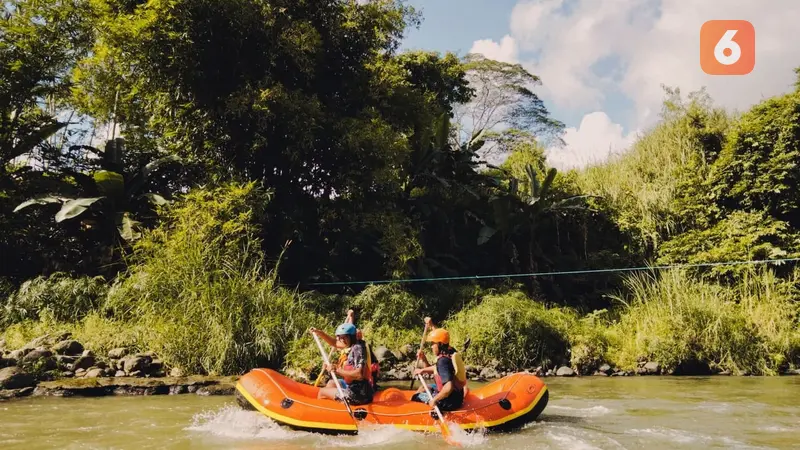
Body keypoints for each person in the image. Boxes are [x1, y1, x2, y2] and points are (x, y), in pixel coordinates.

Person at [310, 322, 374, 405]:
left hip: (358, 395)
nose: (342, 340)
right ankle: (335, 409)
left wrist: (337, 370)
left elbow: (359, 375)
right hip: (354, 388)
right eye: (340, 338)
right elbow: (335, 343)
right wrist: (319, 332)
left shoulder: (358, 349)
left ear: (351, 337)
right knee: (331, 383)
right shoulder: (353, 344)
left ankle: (322, 413)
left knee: (322, 392)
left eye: (344, 337)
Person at [411, 321, 467, 411]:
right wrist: (423, 361)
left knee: (416, 396)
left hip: (448, 402)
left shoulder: (443, 362)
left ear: (440, 344)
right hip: (457, 398)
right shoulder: (450, 351)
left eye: (433, 344)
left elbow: (448, 387)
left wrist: (435, 400)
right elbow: (437, 370)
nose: (431, 347)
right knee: (424, 387)